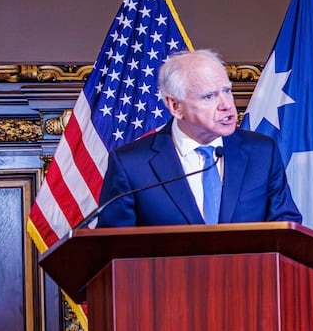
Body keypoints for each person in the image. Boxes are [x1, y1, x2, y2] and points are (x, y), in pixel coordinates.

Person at [97, 49, 301, 226]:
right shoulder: (131, 165)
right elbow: (114, 249)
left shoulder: (262, 153)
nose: (227, 105)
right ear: (175, 106)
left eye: (227, 91)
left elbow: (286, 230)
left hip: (250, 272)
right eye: (209, 96)